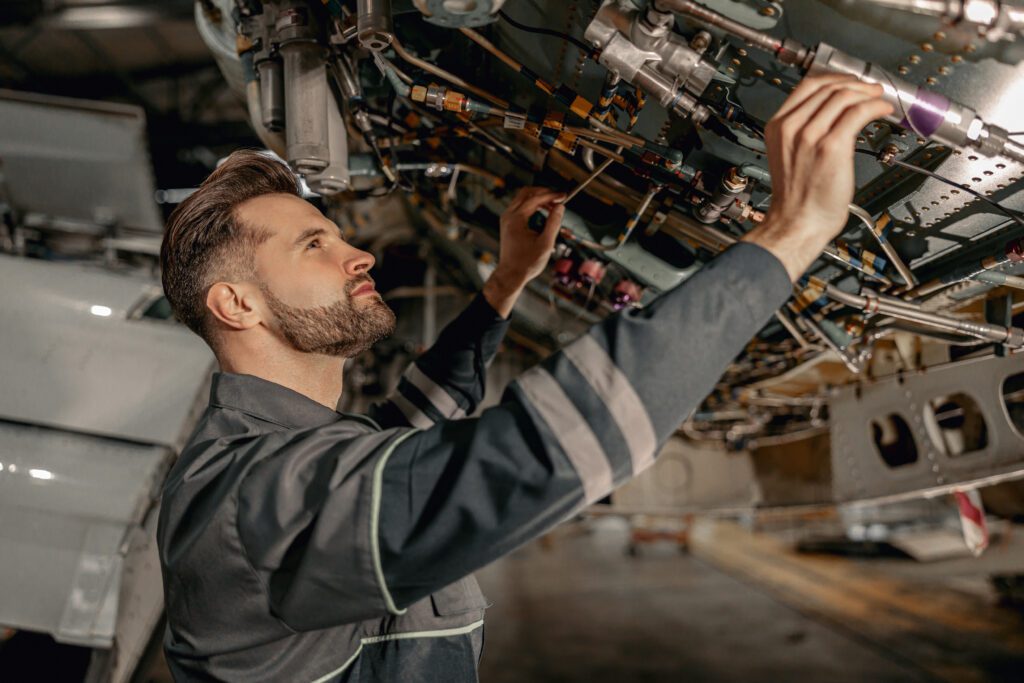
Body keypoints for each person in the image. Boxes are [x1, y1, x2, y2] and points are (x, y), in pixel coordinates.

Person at [156, 75, 892, 681]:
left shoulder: (289, 456)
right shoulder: (248, 498)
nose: (359, 255)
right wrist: (790, 232)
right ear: (236, 303)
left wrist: (506, 284)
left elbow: (412, 421)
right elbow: (536, 454)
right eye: (316, 242)